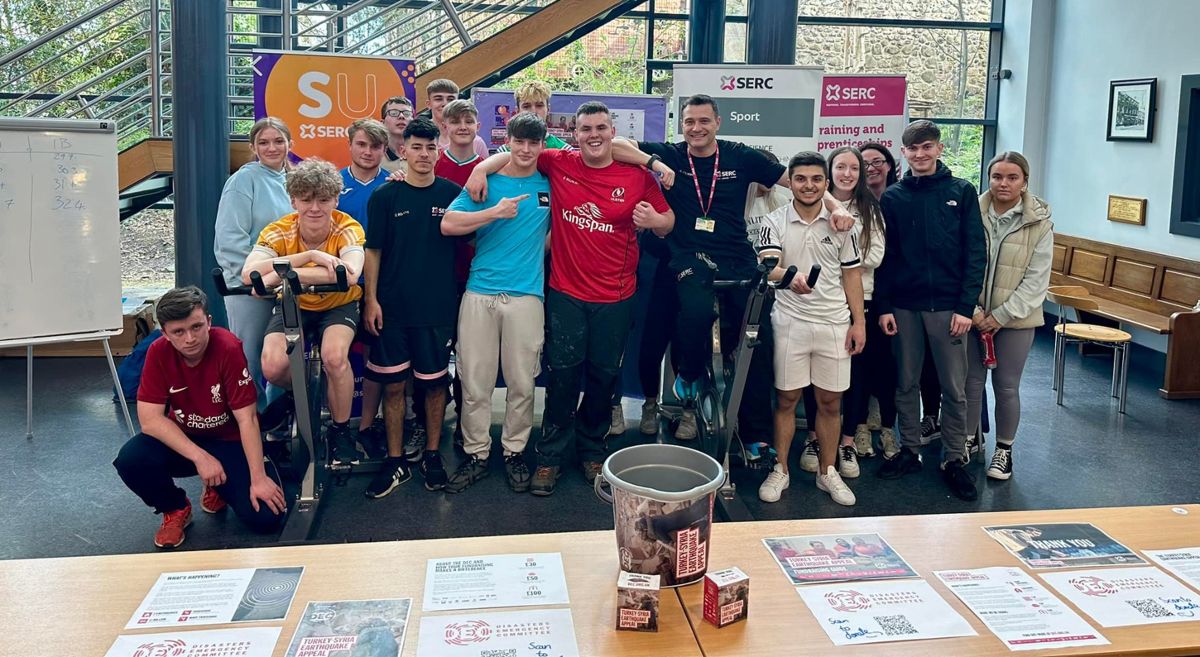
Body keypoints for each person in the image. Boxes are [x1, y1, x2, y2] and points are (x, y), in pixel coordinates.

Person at [611, 95, 852, 446]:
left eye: (704, 121)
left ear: (718, 123)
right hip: (689, 254)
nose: (696, 128)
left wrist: (835, 207)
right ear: (683, 125)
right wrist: (654, 163)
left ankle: (757, 436)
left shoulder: (739, 155)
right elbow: (617, 145)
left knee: (755, 341)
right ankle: (689, 375)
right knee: (692, 312)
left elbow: (797, 181)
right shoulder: (673, 155)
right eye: (690, 122)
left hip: (736, 256)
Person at [465, 101, 674, 495]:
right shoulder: (559, 162)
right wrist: (479, 167)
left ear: (613, 132)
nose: (593, 135)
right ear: (574, 135)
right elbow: (512, 153)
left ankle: (592, 449)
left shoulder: (635, 175)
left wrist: (656, 220)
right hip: (565, 292)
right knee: (562, 376)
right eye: (585, 129)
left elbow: (667, 222)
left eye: (600, 128)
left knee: (602, 376)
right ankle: (549, 456)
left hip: (616, 294)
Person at [113, 286, 286, 549]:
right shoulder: (158, 352)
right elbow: (150, 421)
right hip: (186, 439)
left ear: (208, 322)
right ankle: (175, 507)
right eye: (178, 332)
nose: (190, 338)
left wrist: (259, 479)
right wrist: (201, 458)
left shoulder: (227, 347)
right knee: (131, 459)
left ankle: (219, 486)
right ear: (166, 334)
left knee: (266, 517)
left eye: (196, 327)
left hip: (228, 441)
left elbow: (247, 420)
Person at [874, 120, 986, 502]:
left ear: (939, 149)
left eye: (927, 147)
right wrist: (885, 306)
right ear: (903, 153)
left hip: (948, 309)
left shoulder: (962, 191)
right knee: (905, 382)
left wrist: (965, 306)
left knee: (954, 388)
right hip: (904, 306)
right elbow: (885, 259)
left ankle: (954, 458)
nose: (920, 155)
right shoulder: (893, 197)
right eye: (912, 149)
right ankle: (910, 450)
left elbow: (976, 253)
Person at [441, 112, 551, 494]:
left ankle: (514, 451)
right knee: (474, 380)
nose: (525, 150)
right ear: (508, 141)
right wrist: (495, 212)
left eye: (532, 143)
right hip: (481, 293)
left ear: (542, 143)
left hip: (526, 297)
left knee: (523, 382)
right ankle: (476, 453)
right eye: (518, 141)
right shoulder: (486, 181)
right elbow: (448, 224)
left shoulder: (550, 182)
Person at [756, 151, 865, 507]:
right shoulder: (773, 221)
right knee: (787, 399)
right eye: (801, 179)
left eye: (816, 179)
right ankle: (781, 468)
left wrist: (858, 322)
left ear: (826, 184)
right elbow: (769, 267)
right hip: (790, 321)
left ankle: (827, 472)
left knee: (830, 402)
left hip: (835, 323)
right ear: (790, 181)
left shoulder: (843, 224)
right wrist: (791, 277)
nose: (808, 185)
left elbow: (852, 275)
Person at [362, 118, 463, 497]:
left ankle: (433, 455)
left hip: (437, 309)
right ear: (402, 150)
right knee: (392, 387)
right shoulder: (385, 197)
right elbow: (373, 252)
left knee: (435, 387)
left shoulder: (454, 194)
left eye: (430, 147)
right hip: (391, 309)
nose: (423, 154)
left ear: (439, 150)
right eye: (416, 147)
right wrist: (370, 300)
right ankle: (394, 461)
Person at [245, 158, 366, 467]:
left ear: (335, 200)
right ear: (293, 200)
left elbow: (350, 274)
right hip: (294, 302)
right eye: (307, 199)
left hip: (338, 303)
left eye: (323, 200)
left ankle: (341, 432)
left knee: (334, 358)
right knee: (272, 366)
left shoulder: (347, 227)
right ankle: (296, 399)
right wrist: (312, 256)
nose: (315, 208)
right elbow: (249, 274)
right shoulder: (278, 230)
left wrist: (281, 274)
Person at [967, 151, 1053, 481]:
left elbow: (1036, 279)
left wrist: (1001, 316)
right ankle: (969, 441)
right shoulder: (972, 212)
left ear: (1024, 182)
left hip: (1016, 321)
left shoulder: (1040, 224)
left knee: (1006, 387)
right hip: (972, 317)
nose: (1003, 183)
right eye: (997, 176)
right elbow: (959, 263)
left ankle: (1004, 451)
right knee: (970, 384)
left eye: (1012, 177)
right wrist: (973, 311)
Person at [213, 117, 293, 394]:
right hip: (250, 288)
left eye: (278, 141)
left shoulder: (294, 181)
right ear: (253, 147)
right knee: (249, 359)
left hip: (288, 286)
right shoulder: (243, 181)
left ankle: (276, 425)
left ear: (289, 144)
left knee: (281, 360)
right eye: (264, 142)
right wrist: (256, 280)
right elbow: (229, 239)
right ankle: (248, 425)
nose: (272, 148)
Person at [828, 147, 886, 472]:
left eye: (853, 168)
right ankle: (815, 439)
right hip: (823, 301)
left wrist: (839, 261)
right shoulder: (816, 202)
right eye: (840, 167)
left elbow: (875, 256)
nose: (847, 173)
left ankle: (847, 442)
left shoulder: (870, 209)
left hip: (859, 302)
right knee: (819, 377)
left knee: (856, 374)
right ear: (830, 169)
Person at [338, 118, 392, 457]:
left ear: (384, 150)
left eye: (375, 146)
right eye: (362, 144)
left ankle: (366, 426)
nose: (368, 151)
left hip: (381, 287)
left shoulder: (395, 183)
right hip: (338, 288)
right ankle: (335, 426)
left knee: (376, 359)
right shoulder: (333, 184)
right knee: (334, 357)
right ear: (351, 146)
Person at [855, 143, 900, 457]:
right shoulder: (848, 204)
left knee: (889, 365)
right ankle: (858, 426)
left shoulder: (898, 199)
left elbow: (878, 256)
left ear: (889, 165)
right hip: (859, 295)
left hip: (894, 293)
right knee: (860, 365)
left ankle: (886, 426)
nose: (871, 167)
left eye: (877, 161)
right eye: (864, 163)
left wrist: (843, 261)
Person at [425, 78, 489, 160]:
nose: (445, 103)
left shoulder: (476, 142)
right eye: (438, 99)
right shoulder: (420, 136)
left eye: (450, 99)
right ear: (428, 104)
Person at [496, 81, 570, 151]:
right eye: (526, 106)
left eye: (539, 105)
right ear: (517, 111)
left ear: (548, 109)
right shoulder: (504, 151)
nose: (533, 111)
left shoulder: (565, 151)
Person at [379, 96, 414, 173]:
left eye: (407, 114)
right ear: (382, 122)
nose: (401, 116)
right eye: (394, 113)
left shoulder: (421, 154)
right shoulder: (375, 156)